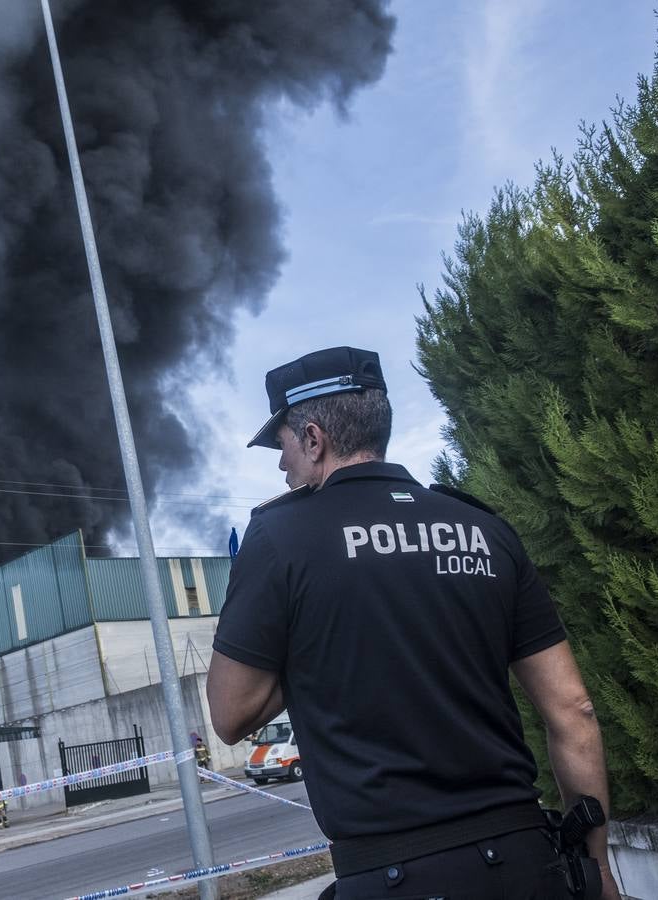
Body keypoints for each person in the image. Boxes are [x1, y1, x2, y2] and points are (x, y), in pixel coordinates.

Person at [206, 346, 617, 900]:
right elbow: (574, 711)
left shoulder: (280, 540)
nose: (282, 467)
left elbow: (231, 715)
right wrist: (596, 871)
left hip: (393, 876)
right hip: (528, 862)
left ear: (312, 438)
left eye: (281, 446)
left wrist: (324, 641)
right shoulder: (484, 530)